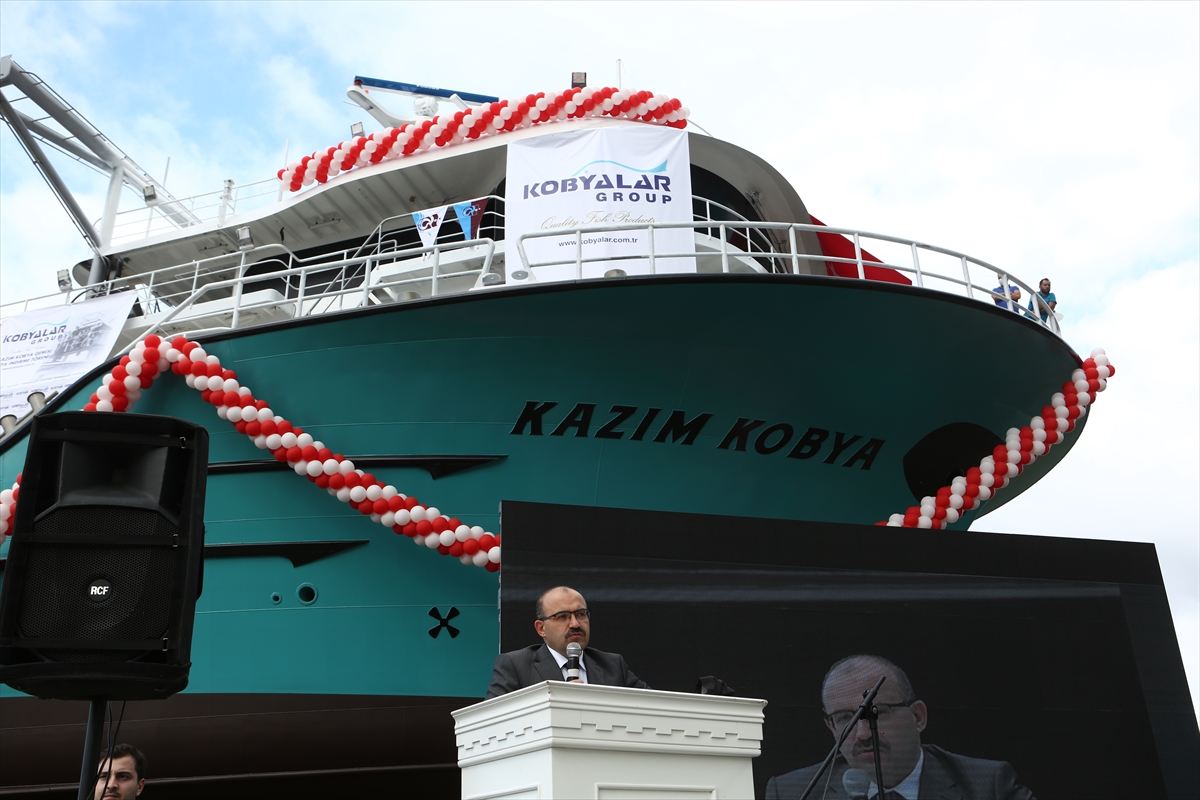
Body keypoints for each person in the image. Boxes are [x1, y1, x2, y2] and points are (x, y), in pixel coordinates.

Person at [765, 655, 1034, 800]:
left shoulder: (988, 786)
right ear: (831, 727)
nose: (862, 733)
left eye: (877, 713)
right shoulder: (794, 792)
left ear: (918, 717)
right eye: (845, 718)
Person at [484, 585, 649, 698]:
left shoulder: (613, 665)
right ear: (541, 628)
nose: (575, 624)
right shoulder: (515, 666)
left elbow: (655, 707)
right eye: (562, 616)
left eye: (581, 614)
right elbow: (491, 721)